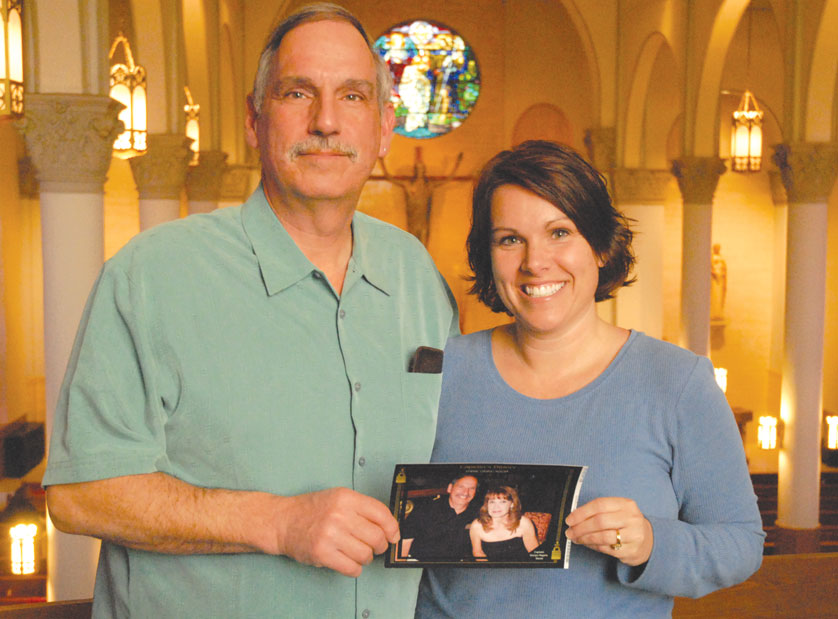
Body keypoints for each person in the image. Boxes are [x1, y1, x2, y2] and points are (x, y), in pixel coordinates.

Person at [42, 4, 458, 617]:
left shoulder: (416, 272)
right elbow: (79, 495)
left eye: (352, 96)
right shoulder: (152, 275)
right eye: (298, 92)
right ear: (253, 120)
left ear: (384, 126)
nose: (325, 121)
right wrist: (280, 521)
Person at [415, 140, 764, 618]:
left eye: (559, 232)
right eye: (509, 239)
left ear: (600, 247)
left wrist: (650, 544)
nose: (535, 262)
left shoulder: (677, 382)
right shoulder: (438, 373)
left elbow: (741, 543)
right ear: (488, 254)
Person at [399, 474, 478, 561]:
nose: (465, 492)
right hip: (419, 562)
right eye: (461, 487)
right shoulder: (425, 510)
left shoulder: (477, 515)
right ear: (450, 488)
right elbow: (404, 542)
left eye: (472, 488)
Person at [469, 486, 538, 561]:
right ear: (487, 504)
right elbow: (478, 553)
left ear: (512, 504)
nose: (496, 507)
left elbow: (534, 551)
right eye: (492, 502)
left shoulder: (523, 522)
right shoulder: (477, 525)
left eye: (503, 502)